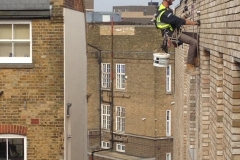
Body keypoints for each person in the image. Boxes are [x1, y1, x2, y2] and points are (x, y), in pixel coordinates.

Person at [155, 0, 200, 75]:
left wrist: (182, 16)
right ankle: (189, 66)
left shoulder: (164, 9)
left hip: (175, 31)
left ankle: (194, 60)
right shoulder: (164, 13)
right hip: (172, 34)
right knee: (193, 42)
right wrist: (195, 23)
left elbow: (174, 20)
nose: (173, 0)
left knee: (196, 36)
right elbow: (179, 21)